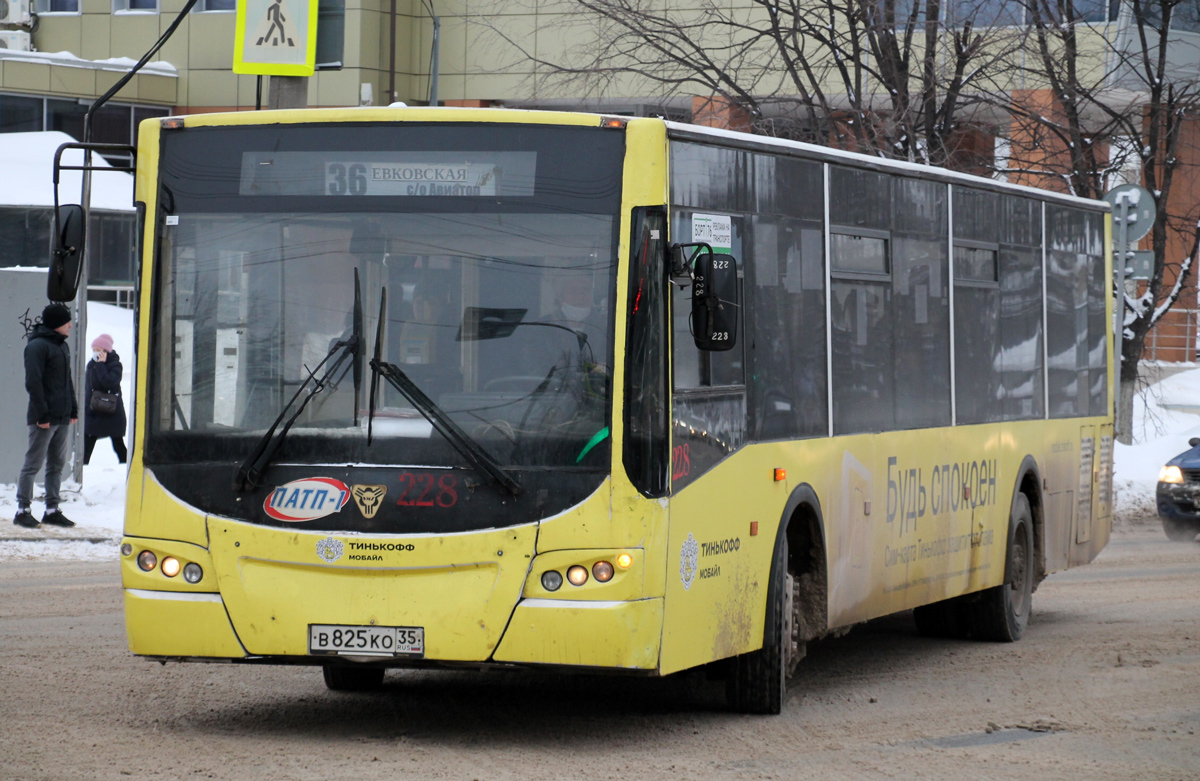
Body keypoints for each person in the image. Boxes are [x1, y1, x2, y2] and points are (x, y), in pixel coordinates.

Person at [15, 303, 78, 529]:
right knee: (33, 464)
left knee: (56, 465)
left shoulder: (62, 346)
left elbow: (67, 380)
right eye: (66, 321)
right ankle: (22, 509)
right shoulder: (37, 347)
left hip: (61, 416)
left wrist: (73, 408)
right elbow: (33, 382)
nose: (70, 325)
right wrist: (42, 414)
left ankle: (52, 509)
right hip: (44, 418)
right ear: (56, 324)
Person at [83, 333, 128, 466]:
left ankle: (126, 467)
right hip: (94, 411)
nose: (95, 353)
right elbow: (88, 388)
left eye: (98, 350)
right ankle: (83, 469)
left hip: (111, 411)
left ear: (106, 351)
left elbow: (108, 383)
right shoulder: (91, 365)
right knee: (87, 442)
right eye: (94, 349)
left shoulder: (115, 365)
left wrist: (101, 365)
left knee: (118, 444)